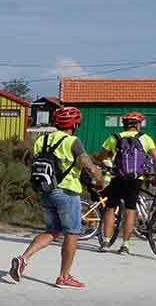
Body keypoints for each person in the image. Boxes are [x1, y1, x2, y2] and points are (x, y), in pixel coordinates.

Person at [9, 106, 105, 289]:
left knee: (52, 230)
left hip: (46, 191)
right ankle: (64, 276)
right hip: (67, 192)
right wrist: (100, 181)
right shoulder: (72, 141)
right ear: (75, 124)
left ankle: (23, 258)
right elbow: (88, 165)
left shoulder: (42, 140)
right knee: (71, 233)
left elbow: (36, 165)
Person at [95, 112, 156, 254]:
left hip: (118, 178)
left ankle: (106, 242)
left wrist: (106, 162)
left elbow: (100, 157)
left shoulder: (114, 137)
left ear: (124, 125)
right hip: (136, 179)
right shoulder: (145, 138)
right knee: (130, 210)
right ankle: (125, 245)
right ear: (137, 125)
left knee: (110, 208)